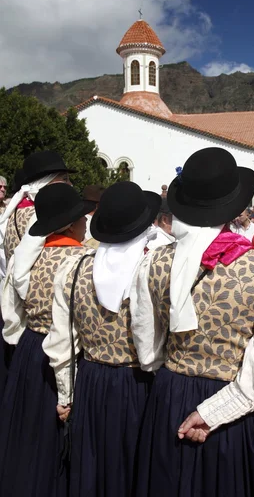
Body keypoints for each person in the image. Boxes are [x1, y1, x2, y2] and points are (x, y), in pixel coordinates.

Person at [132, 147, 254, 497]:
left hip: (171, 396)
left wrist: (180, 373)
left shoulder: (152, 263)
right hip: (237, 408)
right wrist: (213, 411)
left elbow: (147, 351)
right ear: (232, 209)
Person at [43, 181, 160, 497]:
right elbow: (154, 344)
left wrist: (66, 395)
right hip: (140, 384)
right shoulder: (152, 270)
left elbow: (61, 342)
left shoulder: (76, 268)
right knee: (135, 470)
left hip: (91, 382)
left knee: (93, 470)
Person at [0, 183, 94, 497]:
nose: (85, 222)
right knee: (52, 444)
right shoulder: (82, 261)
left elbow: (12, 311)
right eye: (81, 216)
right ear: (69, 223)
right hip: (63, 357)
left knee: (25, 437)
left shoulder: (27, 255)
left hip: (29, 349)